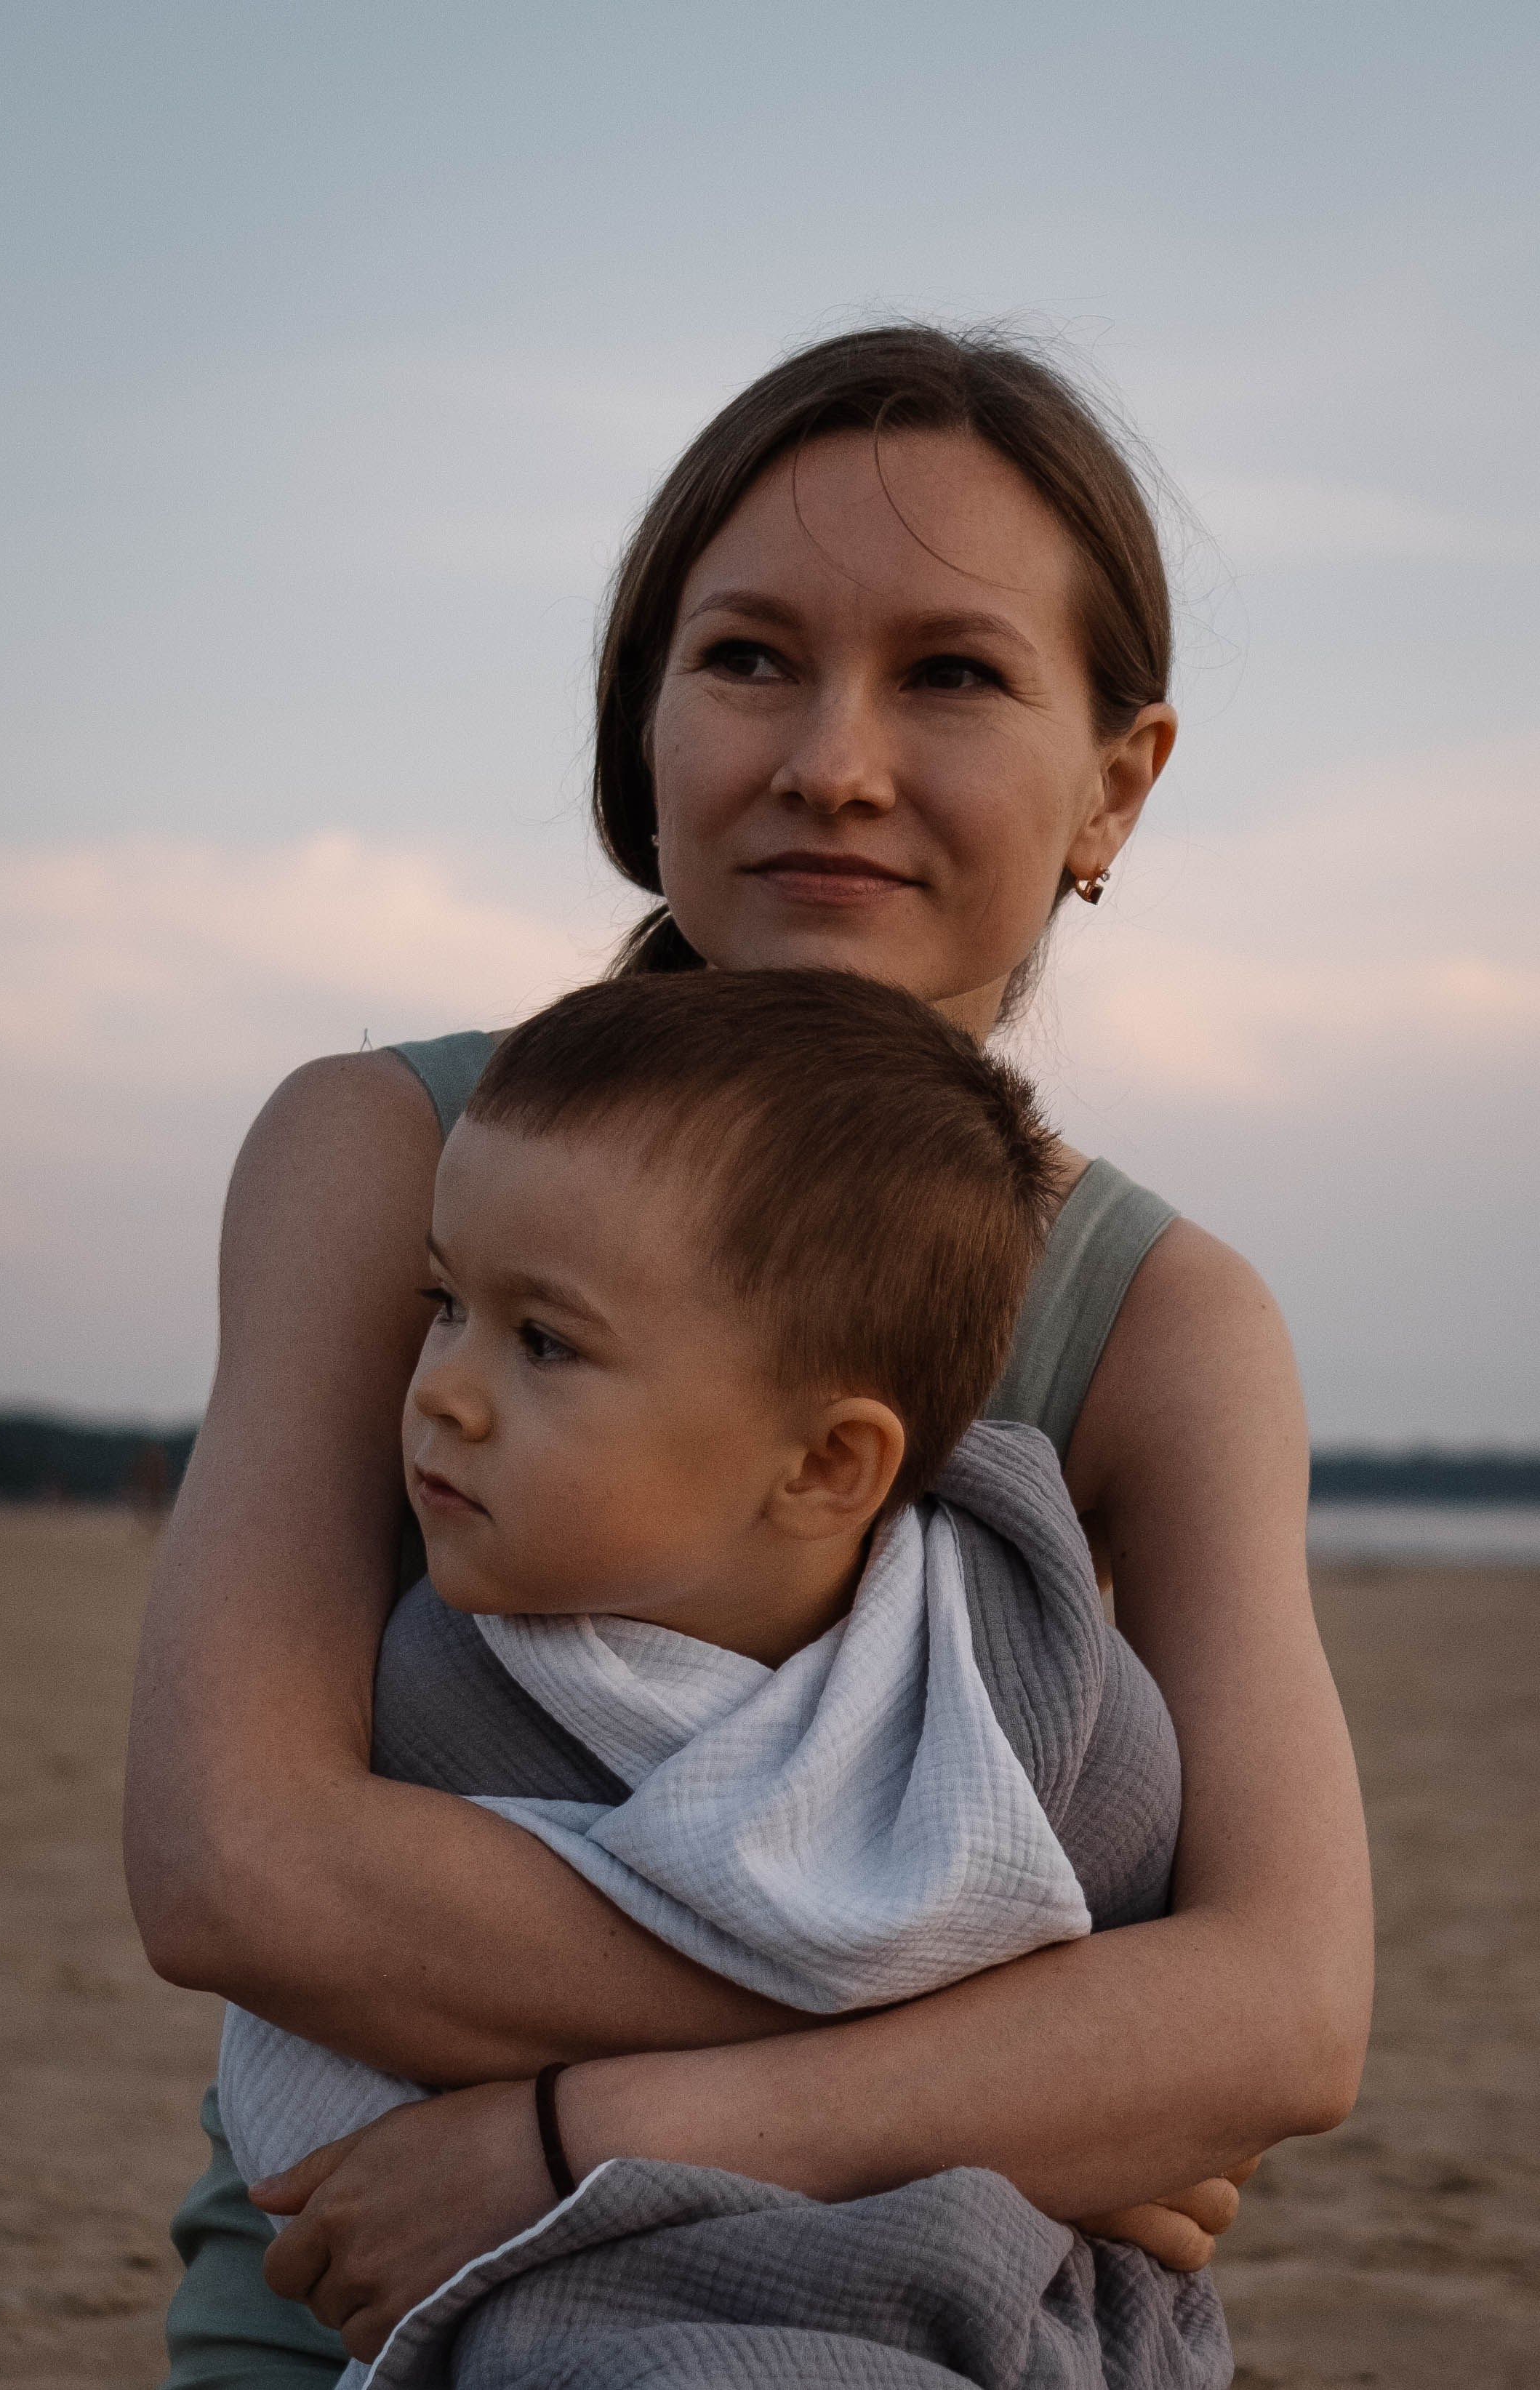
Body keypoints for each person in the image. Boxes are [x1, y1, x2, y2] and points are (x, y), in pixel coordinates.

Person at [124, 324, 1372, 2387]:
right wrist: (1029, 2069)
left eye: (950, 674)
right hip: (363, 2299)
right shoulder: (393, 1154)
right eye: (749, 659)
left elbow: (1288, 2015)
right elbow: (233, 1865)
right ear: (644, 725)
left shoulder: (1162, 1322)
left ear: (1117, 782)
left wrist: (586, 2137)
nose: (832, 762)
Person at [217, 967, 1230, 2385]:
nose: (439, 1386)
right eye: (445, 1303)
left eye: (544, 1340)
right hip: (585, 2307)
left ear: (825, 1465)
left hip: (966, 2290)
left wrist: (1095, 2114)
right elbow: (342, 2043)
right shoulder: (445, 1695)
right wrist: (1009, 2093)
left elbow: (1164, 2046)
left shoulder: (1023, 1683)